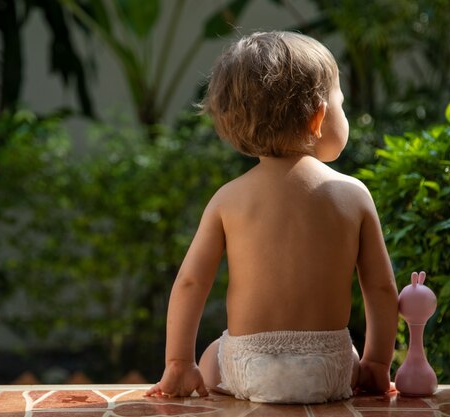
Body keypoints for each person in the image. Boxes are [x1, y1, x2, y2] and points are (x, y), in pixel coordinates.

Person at [145, 31, 398, 404]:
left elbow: (190, 283)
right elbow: (380, 289)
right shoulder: (353, 194)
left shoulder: (227, 199)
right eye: (341, 105)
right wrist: (376, 363)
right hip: (329, 368)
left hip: (248, 365)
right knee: (352, 354)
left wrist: (180, 361)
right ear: (317, 119)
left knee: (213, 354)